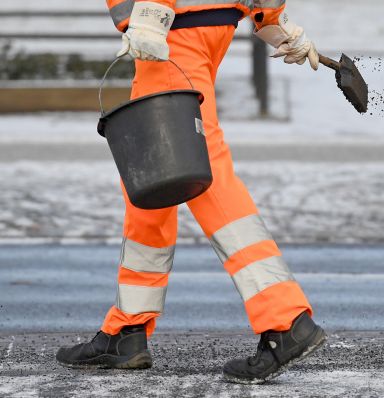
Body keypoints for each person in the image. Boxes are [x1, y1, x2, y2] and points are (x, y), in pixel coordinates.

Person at [56, 0, 325, 384]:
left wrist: (151, 13)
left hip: (171, 28)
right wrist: (275, 21)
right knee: (150, 175)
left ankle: (285, 319)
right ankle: (128, 329)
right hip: (205, 25)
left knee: (198, 173)